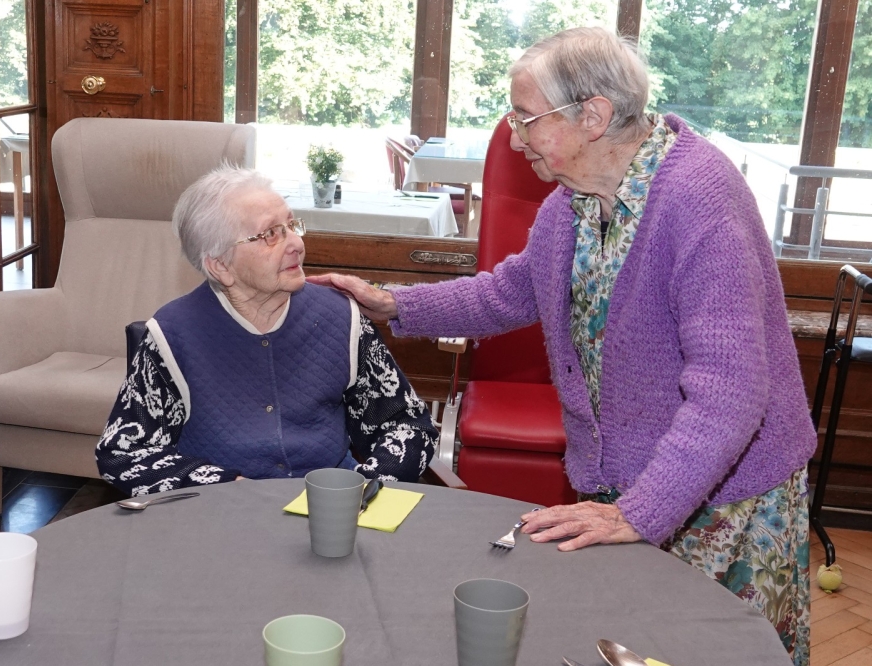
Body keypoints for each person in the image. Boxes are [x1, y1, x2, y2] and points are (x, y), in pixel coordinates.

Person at [310, 27, 815, 665]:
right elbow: (512, 291)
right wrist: (395, 304)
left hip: (724, 494)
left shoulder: (697, 200)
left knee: (707, 651)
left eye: (526, 118)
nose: (514, 137)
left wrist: (641, 513)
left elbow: (732, 392)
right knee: (627, 641)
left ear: (593, 116)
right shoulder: (575, 201)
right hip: (631, 484)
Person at [96, 165, 437, 497]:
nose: (296, 244)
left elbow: (409, 424)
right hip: (222, 519)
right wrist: (227, 488)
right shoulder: (172, 335)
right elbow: (123, 453)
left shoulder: (341, 317)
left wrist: (362, 487)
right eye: (270, 234)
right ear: (220, 265)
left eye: (291, 225)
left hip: (334, 512)